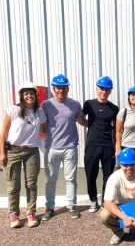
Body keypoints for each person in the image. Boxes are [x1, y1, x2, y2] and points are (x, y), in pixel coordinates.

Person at [0, 82, 47, 228]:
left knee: (31, 184)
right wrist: (2, 152)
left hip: (31, 152)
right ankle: (14, 215)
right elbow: (4, 132)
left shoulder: (40, 112)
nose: (29, 96)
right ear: (22, 95)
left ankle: (31, 213)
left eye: (31, 93)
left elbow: (45, 127)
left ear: (35, 95)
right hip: (13, 151)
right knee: (13, 185)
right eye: (26, 93)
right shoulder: (13, 110)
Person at [41, 74, 87, 221]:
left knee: (71, 178)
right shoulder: (46, 105)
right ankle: (49, 208)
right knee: (50, 179)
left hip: (70, 147)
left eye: (64, 88)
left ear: (68, 88)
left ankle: (72, 206)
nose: (61, 90)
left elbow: (82, 122)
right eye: (58, 88)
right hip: (52, 148)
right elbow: (41, 126)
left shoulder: (75, 104)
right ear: (54, 89)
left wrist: (101, 124)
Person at [83, 76, 119, 213]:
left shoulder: (114, 108)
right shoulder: (89, 104)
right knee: (91, 174)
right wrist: (91, 126)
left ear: (110, 91)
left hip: (107, 146)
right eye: (101, 89)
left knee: (108, 176)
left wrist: (115, 147)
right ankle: (93, 200)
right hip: (92, 145)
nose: (103, 91)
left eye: (107, 90)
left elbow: (116, 129)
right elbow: (81, 119)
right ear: (97, 89)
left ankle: (105, 200)